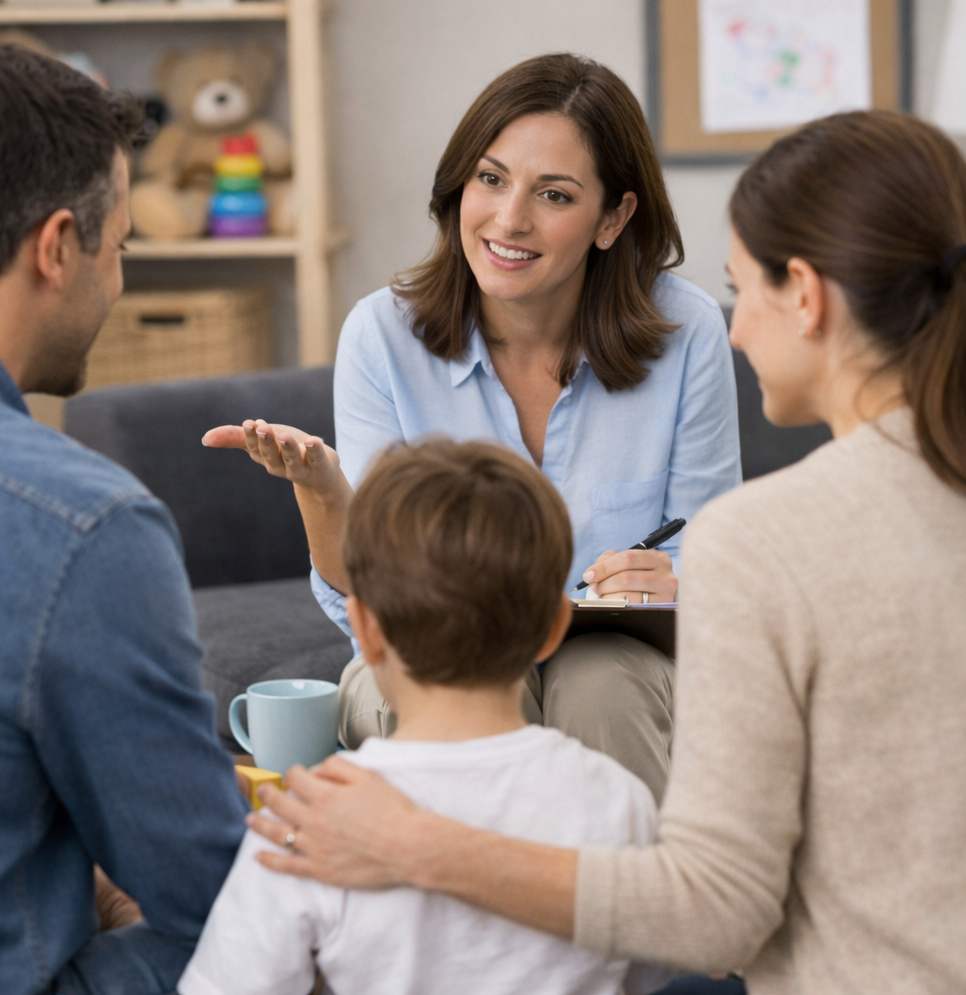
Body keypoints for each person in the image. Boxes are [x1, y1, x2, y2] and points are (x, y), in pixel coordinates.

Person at [245, 109, 966, 993]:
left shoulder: (769, 536)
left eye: (743, 292)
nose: (732, 331)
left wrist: (420, 845)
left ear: (807, 296)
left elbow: (716, 907)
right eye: (491, 180)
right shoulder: (873, 515)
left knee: (603, 686)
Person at [205, 53, 741, 803]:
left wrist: (682, 577)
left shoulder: (687, 332)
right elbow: (372, 593)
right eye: (490, 179)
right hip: (431, 646)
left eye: (554, 194)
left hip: (618, 655)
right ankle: (468, 914)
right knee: (470, 698)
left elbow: (710, 551)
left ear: (614, 218)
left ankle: (633, 913)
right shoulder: (380, 337)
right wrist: (326, 493)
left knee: (601, 689)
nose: (510, 219)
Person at [0, 45, 247, 994]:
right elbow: (216, 893)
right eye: (119, 251)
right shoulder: (82, 522)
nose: (116, 286)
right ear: (58, 246)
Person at [178, 438, 672, 995]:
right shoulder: (620, 799)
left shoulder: (311, 817)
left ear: (364, 629)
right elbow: (653, 973)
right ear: (556, 627)